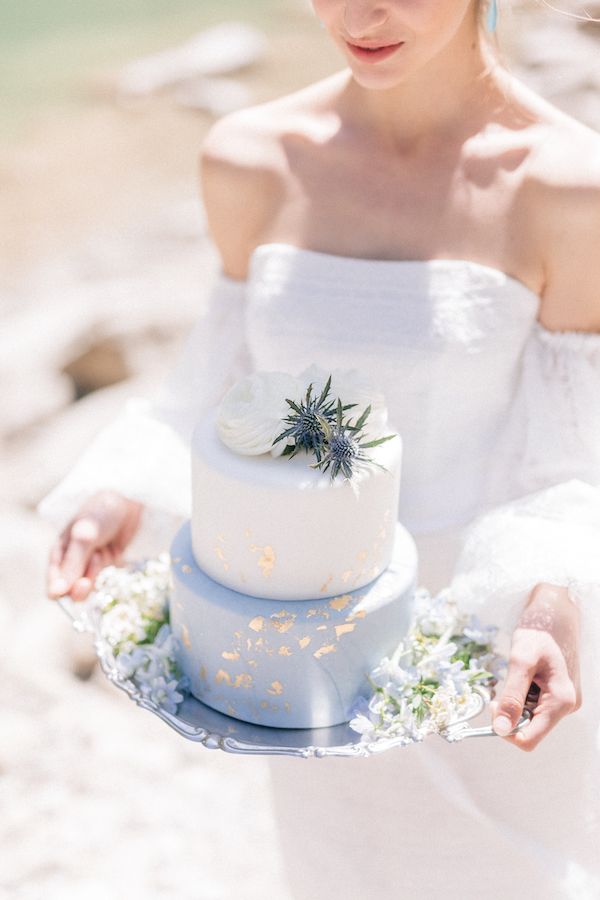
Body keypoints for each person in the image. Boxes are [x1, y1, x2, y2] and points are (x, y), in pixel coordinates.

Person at [41, 1, 600, 896]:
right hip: (304, 642)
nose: (359, 11)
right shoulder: (249, 153)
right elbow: (219, 379)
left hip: (490, 643)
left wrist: (547, 602)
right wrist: (126, 488)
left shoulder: (570, 181)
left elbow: (572, 449)